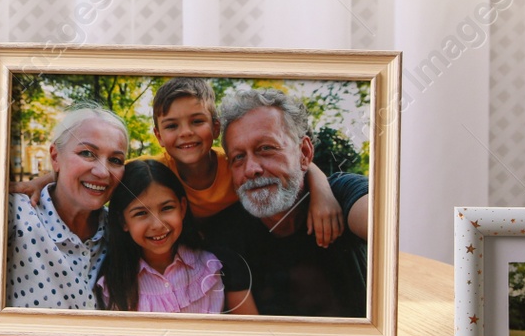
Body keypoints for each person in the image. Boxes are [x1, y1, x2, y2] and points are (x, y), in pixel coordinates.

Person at [202, 86, 370, 317]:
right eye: (238, 157)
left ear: (304, 153)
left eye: (266, 149)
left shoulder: (344, 193)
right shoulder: (229, 233)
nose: (251, 169)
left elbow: (389, 231)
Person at [148, 77, 345, 242]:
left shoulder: (234, 162)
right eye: (172, 126)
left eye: (197, 121)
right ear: (158, 136)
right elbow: (117, 175)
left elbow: (298, 162)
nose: (186, 133)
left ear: (216, 128)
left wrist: (323, 194)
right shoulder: (152, 170)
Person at [94, 159, 258, 314]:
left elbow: (250, 335)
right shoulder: (113, 285)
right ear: (123, 221)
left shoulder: (214, 265)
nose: (157, 225)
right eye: (141, 213)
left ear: (182, 208)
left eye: (166, 208)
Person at [5, 103, 129, 309]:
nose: (103, 172)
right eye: (87, 153)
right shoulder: (15, 214)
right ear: (55, 157)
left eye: (115, 160)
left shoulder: (121, 230)